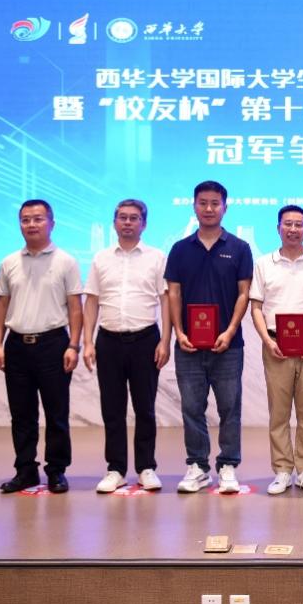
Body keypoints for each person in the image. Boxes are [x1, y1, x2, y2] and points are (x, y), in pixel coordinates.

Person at [166, 180, 253, 494]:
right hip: (188, 345)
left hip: (228, 345)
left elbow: (244, 293)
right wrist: (179, 332)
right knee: (192, 408)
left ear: (225, 207)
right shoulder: (180, 249)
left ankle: (228, 465)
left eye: (215, 203)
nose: (208, 208)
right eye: (202, 202)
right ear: (194, 206)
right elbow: (173, 293)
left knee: (230, 407)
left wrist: (230, 331)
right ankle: (198, 466)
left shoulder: (239, 248)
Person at [0, 199, 83, 494]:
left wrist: (74, 345)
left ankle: (56, 470)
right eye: (25, 220)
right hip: (17, 345)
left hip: (53, 344)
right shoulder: (9, 262)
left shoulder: (66, 261)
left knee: (56, 413)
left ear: (51, 223)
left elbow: (75, 306)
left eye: (38, 219)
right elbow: (1, 304)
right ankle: (25, 470)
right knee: (22, 414)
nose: (31, 224)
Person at [82, 199, 171, 493]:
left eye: (134, 218)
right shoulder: (101, 258)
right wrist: (87, 342)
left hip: (146, 339)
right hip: (108, 340)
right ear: (114, 223)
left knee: (145, 408)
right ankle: (116, 469)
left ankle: (146, 467)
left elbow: (165, 300)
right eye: (122, 217)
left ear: (144, 224)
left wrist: (165, 340)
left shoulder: (156, 257)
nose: (128, 222)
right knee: (112, 409)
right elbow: (92, 300)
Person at [249, 205, 303, 495]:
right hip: (276, 346)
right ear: (278, 228)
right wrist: (267, 340)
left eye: (298, 224)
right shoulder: (263, 263)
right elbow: (256, 307)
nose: (293, 229)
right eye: (288, 224)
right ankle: (283, 470)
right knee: (279, 413)